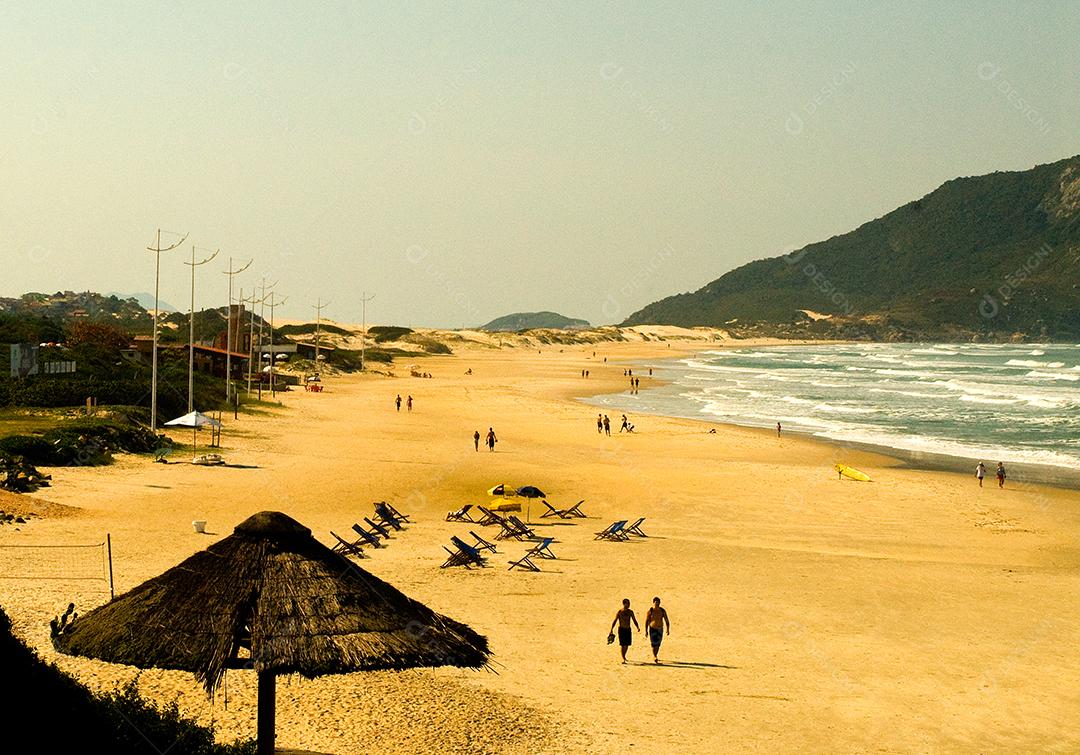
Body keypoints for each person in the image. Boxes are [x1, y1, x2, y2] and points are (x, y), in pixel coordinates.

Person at [610, 598, 640, 663]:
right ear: (624, 604)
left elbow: (634, 620)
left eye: (629, 603)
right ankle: (623, 657)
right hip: (621, 629)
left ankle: (624, 656)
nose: (629, 605)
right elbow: (615, 620)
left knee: (627, 644)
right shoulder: (620, 612)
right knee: (622, 644)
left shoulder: (630, 612)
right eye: (627, 603)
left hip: (628, 629)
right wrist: (611, 629)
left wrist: (637, 627)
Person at [644, 597, 671, 664]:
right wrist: (646, 631)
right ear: (653, 603)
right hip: (652, 628)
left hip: (660, 628)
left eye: (658, 602)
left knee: (658, 643)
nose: (657, 604)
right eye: (656, 602)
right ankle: (654, 656)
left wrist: (668, 629)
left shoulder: (662, 610)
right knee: (653, 643)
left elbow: (666, 620)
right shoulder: (650, 611)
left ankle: (655, 655)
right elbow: (646, 621)